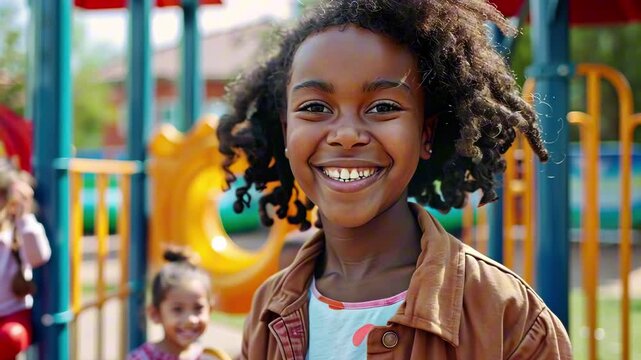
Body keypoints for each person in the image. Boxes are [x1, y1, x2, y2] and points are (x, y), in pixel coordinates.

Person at [217, 0, 573, 359]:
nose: (346, 134)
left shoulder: (507, 315)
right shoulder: (269, 309)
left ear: (426, 135)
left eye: (383, 107)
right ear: (286, 130)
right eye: (314, 108)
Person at [128, 248, 230, 360]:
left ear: (210, 310)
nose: (190, 319)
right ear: (155, 314)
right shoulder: (142, 357)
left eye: (198, 308)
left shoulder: (208, 357)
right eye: (178, 309)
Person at [0, 159, 51, 360]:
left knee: (11, 337)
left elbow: (39, 257)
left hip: (11, 313)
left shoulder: (15, 229)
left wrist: (24, 216)